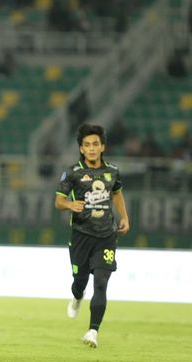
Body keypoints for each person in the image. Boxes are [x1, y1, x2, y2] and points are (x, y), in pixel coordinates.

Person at [55, 123, 130, 348]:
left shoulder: (113, 171)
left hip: (106, 235)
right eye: (87, 145)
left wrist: (124, 217)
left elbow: (116, 194)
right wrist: (70, 204)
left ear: (102, 146)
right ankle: (78, 296)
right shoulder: (72, 172)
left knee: (101, 282)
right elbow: (58, 201)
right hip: (80, 235)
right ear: (81, 148)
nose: (91, 148)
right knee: (80, 282)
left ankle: (92, 331)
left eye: (95, 144)